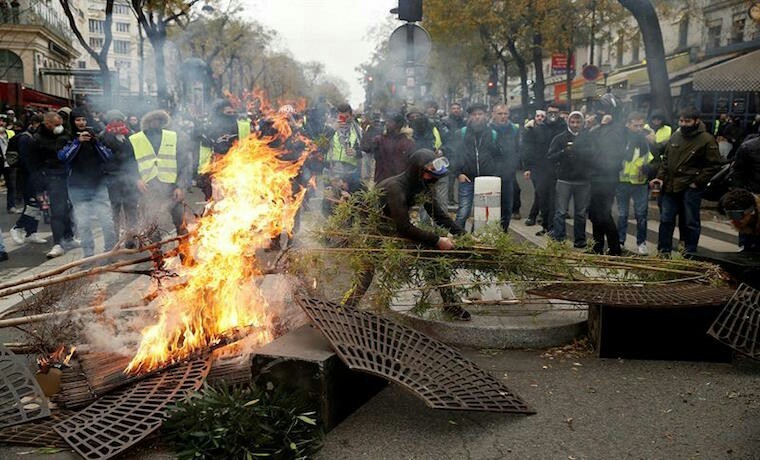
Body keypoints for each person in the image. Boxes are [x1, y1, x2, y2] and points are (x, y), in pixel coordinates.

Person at [343, 149, 470, 320]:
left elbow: (438, 215)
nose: (433, 180)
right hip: (375, 231)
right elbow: (404, 228)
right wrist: (437, 240)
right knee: (366, 272)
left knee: (432, 257)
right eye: (430, 174)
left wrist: (464, 235)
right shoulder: (395, 188)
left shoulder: (421, 185)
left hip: (395, 226)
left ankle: (449, 304)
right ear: (417, 170)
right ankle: (345, 309)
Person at [650, 106, 723, 255]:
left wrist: (697, 182)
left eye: (687, 121)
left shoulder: (706, 139)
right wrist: (660, 177)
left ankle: (689, 251)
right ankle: (664, 251)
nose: (683, 124)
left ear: (696, 121)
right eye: (681, 120)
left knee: (690, 222)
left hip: (691, 188)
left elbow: (713, 165)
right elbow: (666, 161)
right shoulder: (676, 136)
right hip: (670, 187)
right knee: (666, 220)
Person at [58, 108, 117, 258]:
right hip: (77, 188)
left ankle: (110, 252)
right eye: (78, 120)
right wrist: (77, 142)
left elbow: (108, 156)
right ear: (73, 121)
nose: (81, 123)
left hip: (98, 186)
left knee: (107, 222)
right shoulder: (66, 138)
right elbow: (64, 157)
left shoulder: (95, 137)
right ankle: (88, 254)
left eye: (84, 120)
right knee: (83, 224)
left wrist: (95, 142)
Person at [129, 110, 190, 240]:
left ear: (164, 122)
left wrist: (180, 186)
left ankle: (185, 254)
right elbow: (129, 163)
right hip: (149, 188)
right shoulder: (136, 139)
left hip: (172, 187)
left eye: (158, 120)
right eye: (152, 121)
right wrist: (137, 180)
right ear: (146, 123)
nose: (155, 123)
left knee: (180, 221)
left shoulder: (173, 137)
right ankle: (158, 257)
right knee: (152, 224)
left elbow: (184, 163)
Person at [445, 103, 501, 231]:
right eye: (474, 114)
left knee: (482, 214)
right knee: (463, 212)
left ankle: (478, 238)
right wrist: (458, 173)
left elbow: (499, 156)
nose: (477, 117)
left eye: (480, 114)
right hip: (467, 179)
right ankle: (458, 239)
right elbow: (453, 155)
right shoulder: (462, 133)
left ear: (485, 116)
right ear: (469, 117)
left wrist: (494, 173)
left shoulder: (493, 134)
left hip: (486, 181)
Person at [28, 112, 77, 258]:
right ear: (47, 124)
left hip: (68, 175)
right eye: (56, 125)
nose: (59, 127)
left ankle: (69, 237)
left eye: (60, 123)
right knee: (57, 211)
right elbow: (33, 164)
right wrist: (39, 187)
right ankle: (58, 243)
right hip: (52, 177)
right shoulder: (37, 139)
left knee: (68, 208)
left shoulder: (65, 134)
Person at [547, 111, 591, 248]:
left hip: (583, 180)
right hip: (564, 179)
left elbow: (595, 154)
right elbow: (550, 157)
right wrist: (563, 153)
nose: (575, 125)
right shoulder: (560, 138)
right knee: (560, 211)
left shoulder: (588, 137)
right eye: (573, 122)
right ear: (568, 122)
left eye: (578, 122)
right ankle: (559, 239)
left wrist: (582, 152)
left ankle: (580, 240)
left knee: (580, 213)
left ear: (582, 123)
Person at [522, 103, 566, 235]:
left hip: (558, 169)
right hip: (540, 169)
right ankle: (546, 226)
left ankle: (554, 228)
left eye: (555, 112)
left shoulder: (563, 128)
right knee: (542, 198)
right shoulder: (538, 129)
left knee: (555, 200)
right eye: (550, 112)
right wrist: (528, 167)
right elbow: (529, 148)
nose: (553, 115)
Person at [616, 112, 654, 255]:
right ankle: (620, 241)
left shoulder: (644, 141)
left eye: (641, 125)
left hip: (640, 182)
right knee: (622, 214)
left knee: (641, 215)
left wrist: (648, 168)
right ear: (628, 124)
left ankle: (641, 243)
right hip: (623, 182)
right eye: (635, 125)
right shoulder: (622, 139)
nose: (638, 128)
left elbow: (650, 160)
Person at [100, 110, 139, 242]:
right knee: (114, 210)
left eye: (120, 121)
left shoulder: (131, 135)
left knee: (131, 209)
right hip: (112, 178)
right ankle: (114, 239)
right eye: (113, 121)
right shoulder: (103, 136)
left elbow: (136, 156)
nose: (117, 124)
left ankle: (130, 238)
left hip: (129, 177)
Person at [9, 114, 47, 245]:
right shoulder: (26, 138)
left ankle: (32, 232)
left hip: (35, 176)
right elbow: (27, 161)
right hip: (28, 177)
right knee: (32, 205)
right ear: (35, 123)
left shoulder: (34, 137)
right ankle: (17, 227)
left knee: (38, 205)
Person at [489, 103, 520, 231]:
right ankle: (490, 232)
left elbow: (518, 148)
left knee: (507, 206)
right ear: (493, 114)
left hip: (508, 173)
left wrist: (514, 164)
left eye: (505, 113)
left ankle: (504, 231)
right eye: (499, 114)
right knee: (491, 205)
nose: (503, 116)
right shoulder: (488, 129)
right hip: (492, 173)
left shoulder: (514, 129)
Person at [364, 112, 414, 183]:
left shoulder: (408, 142)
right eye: (387, 121)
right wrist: (369, 130)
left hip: (399, 183)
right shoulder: (379, 140)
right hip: (382, 181)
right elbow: (366, 148)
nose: (387, 124)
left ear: (399, 125)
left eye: (390, 121)